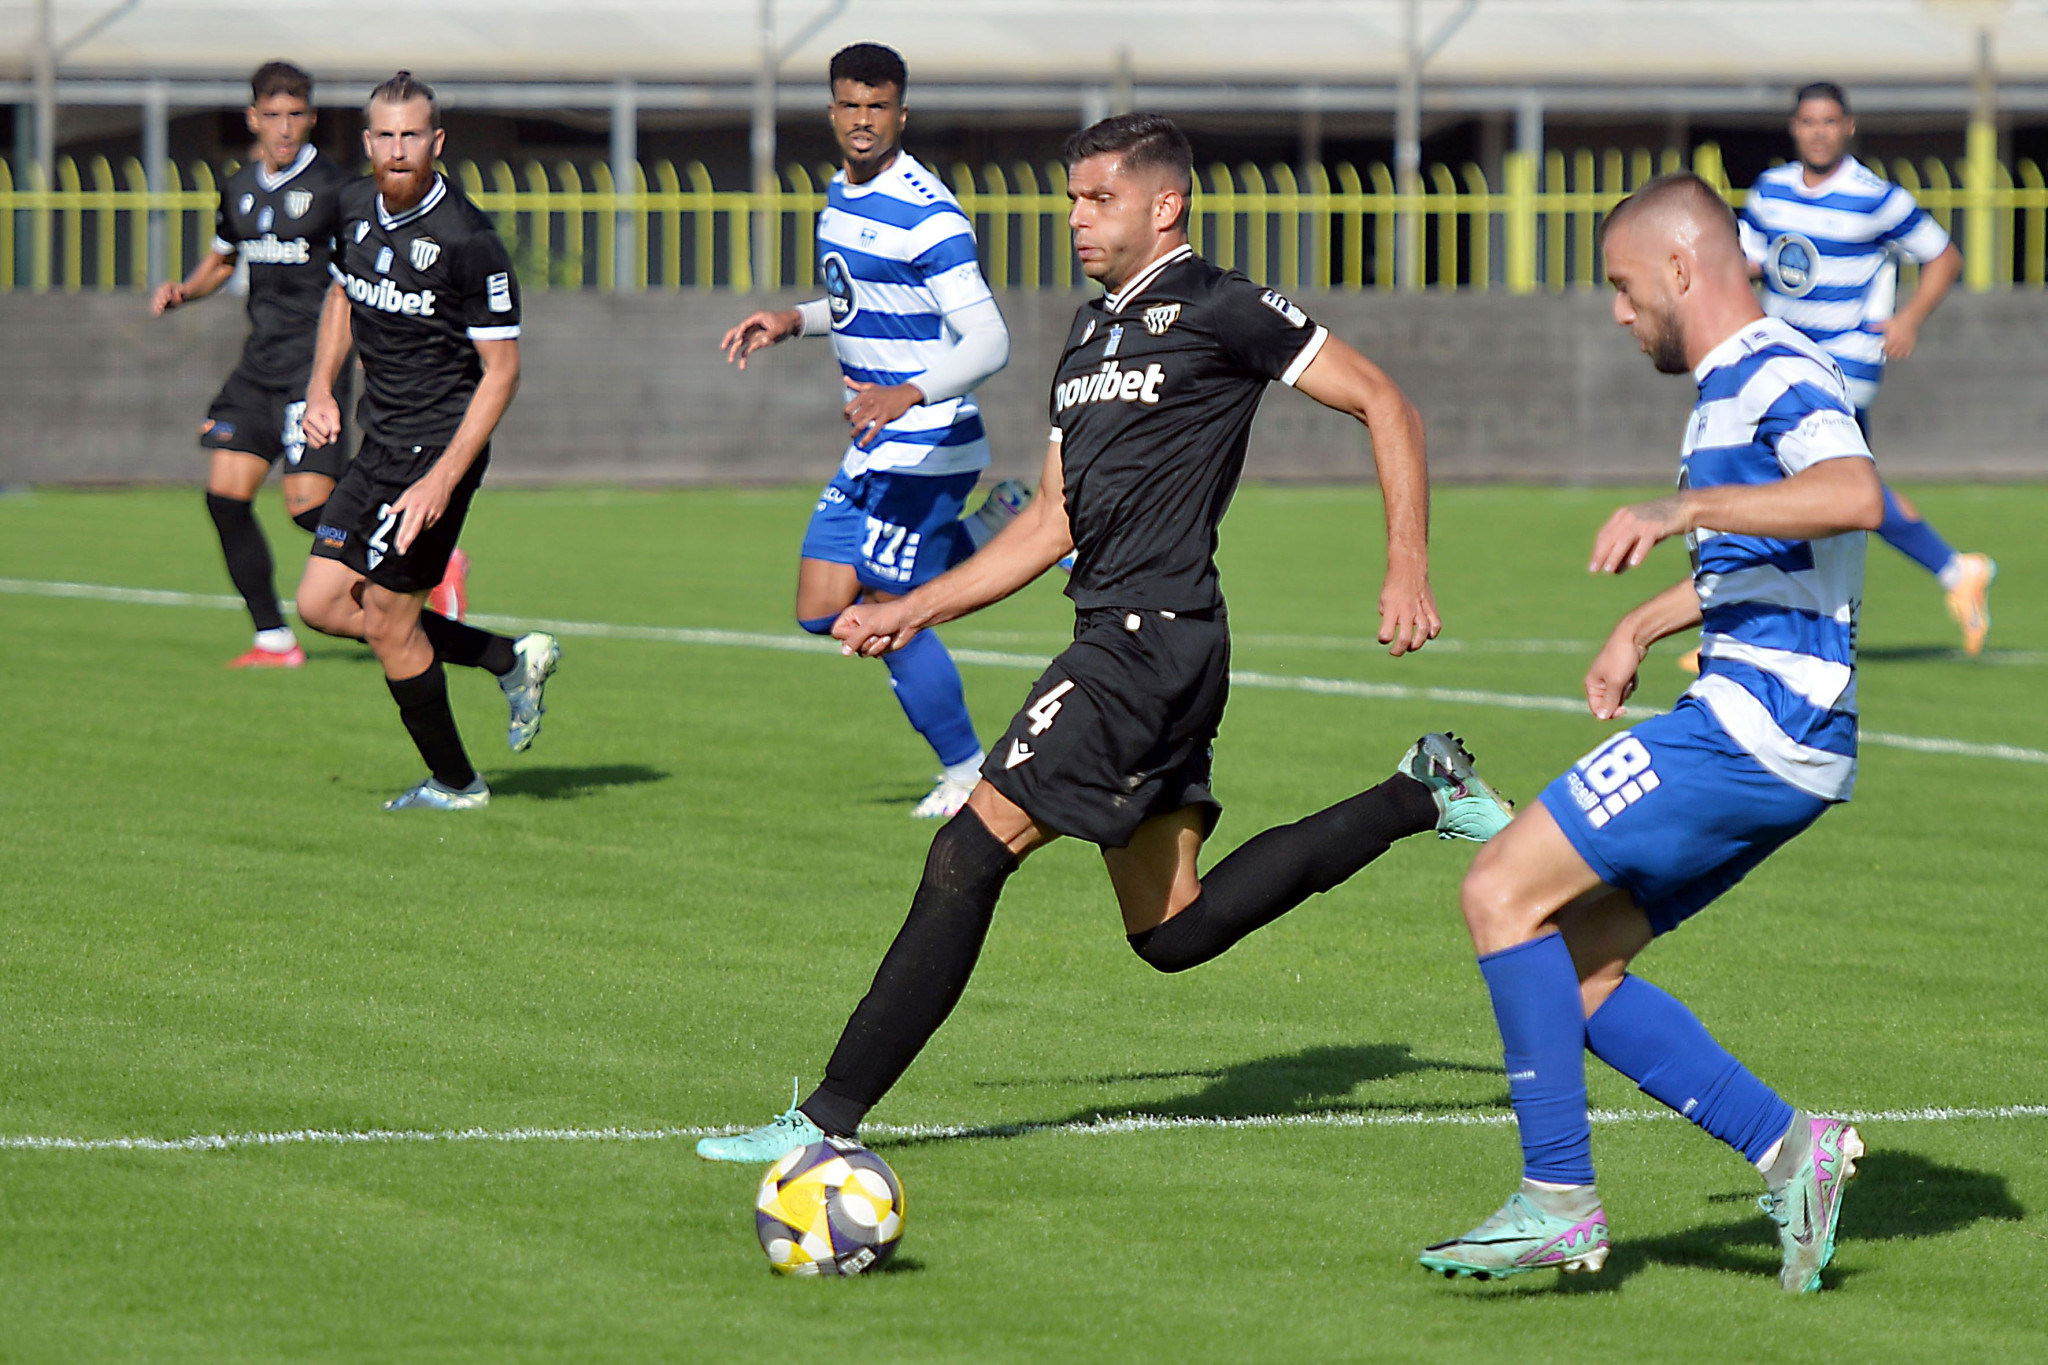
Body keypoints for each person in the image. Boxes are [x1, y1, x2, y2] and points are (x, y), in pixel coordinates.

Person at [698, 113, 1514, 1166]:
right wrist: (912, 607)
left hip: (1147, 644)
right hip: (1136, 640)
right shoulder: (1085, 337)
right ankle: (1418, 792)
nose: (1076, 218)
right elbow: (1049, 522)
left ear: (1164, 204)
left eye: (1099, 199)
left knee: (965, 851)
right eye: (1072, 199)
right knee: (1172, 931)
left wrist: (1406, 565)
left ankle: (823, 1122)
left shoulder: (1222, 306)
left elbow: (1385, 403)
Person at [1420, 173, 1875, 1292]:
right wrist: (1641, 622)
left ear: (1681, 267)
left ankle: (1557, 1201)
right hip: (1777, 738)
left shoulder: (1771, 368)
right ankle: (1792, 1150)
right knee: (1574, 969)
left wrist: (1685, 508)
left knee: (1498, 887)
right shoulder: (1726, 390)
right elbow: (1773, 557)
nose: (1620, 314)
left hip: (1752, 726)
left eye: (1625, 289)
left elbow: (1852, 493)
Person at [720, 42, 1027, 819]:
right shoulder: (840, 193)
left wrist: (908, 393)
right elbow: (862, 303)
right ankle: (999, 524)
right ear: (833, 111)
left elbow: (990, 339)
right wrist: (794, 320)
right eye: (851, 106)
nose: (863, 121)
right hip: (876, 442)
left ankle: (967, 774)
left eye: (878, 107)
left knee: (891, 610)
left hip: (928, 441)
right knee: (821, 607)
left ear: (901, 114)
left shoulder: (928, 215)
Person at [295, 72, 557, 810]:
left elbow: (501, 373)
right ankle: (506, 658)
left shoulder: (469, 241)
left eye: (412, 135)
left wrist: (442, 479)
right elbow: (342, 292)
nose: (398, 148)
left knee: (387, 619)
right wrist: (321, 387)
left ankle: (456, 783)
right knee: (320, 604)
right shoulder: (352, 206)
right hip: (380, 442)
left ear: (436, 142)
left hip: (437, 451)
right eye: (385, 135)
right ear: (367, 141)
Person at [1720, 80, 1994, 660]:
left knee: (1787, 477)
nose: (1818, 133)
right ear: (1794, 128)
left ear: (1847, 127)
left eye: (1829, 122)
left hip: (1847, 359)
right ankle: (1954, 569)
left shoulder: (1875, 197)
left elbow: (1943, 256)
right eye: (1808, 122)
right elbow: (1750, 259)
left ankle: (1756, 626)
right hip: (1784, 354)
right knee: (1844, 487)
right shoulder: (1770, 190)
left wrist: (1909, 318)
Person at [150, 61, 363, 668]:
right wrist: (185, 291)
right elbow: (222, 259)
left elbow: (356, 281)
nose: (284, 128)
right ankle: (274, 638)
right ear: (253, 118)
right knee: (224, 497)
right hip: (257, 368)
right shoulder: (240, 186)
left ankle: (422, 556)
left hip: (312, 368)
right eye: (273, 115)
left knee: (309, 508)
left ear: (311, 118)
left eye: (295, 115)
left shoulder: (336, 189)